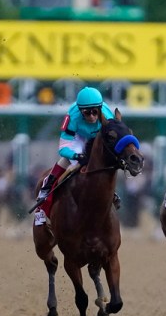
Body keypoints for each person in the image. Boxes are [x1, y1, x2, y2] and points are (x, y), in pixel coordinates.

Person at [33, 86, 119, 224]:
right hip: (79, 138)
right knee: (70, 161)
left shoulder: (107, 116)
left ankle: (111, 192)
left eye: (94, 112)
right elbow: (63, 147)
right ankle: (45, 190)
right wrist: (76, 156)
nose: (91, 116)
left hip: (98, 137)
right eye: (87, 113)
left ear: (100, 109)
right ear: (80, 111)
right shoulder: (72, 116)